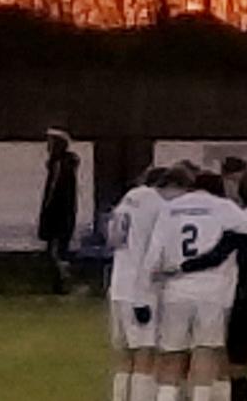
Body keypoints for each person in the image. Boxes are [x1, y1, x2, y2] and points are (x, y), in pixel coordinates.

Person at [142, 166, 247, 401]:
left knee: (172, 354)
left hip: (175, 290)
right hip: (213, 291)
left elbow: (153, 254)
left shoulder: (170, 209)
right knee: (205, 351)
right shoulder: (222, 208)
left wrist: (149, 285)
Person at [178, 170, 247, 401]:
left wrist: (182, 266)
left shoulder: (240, 222)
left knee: (238, 360)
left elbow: (217, 255)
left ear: (240, 194)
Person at [107, 167, 172, 401]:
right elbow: (160, 247)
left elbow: (112, 239)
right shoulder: (156, 204)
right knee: (145, 354)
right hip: (140, 287)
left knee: (125, 357)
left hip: (118, 284)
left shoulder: (126, 200)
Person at [39, 127, 82, 294]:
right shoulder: (63, 164)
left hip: (57, 216)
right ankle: (61, 284)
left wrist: (45, 216)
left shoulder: (60, 165)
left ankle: (64, 284)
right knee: (59, 251)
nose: (48, 146)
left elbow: (52, 193)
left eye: (51, 142)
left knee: (56, 252)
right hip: (64, 214)